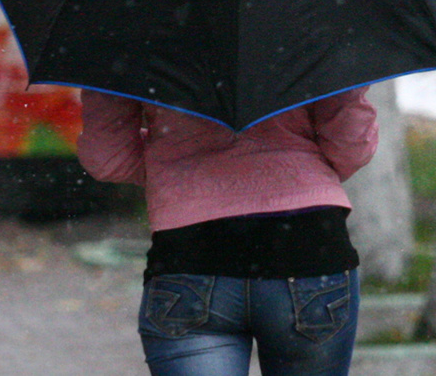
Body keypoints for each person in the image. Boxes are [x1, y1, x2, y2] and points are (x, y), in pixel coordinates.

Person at [76, 86, 378, 376]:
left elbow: (107, 157)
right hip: (309, 248)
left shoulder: (137, 49)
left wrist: (173, 166)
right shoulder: (313, 49)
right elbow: (351, 147)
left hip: (190, 255)